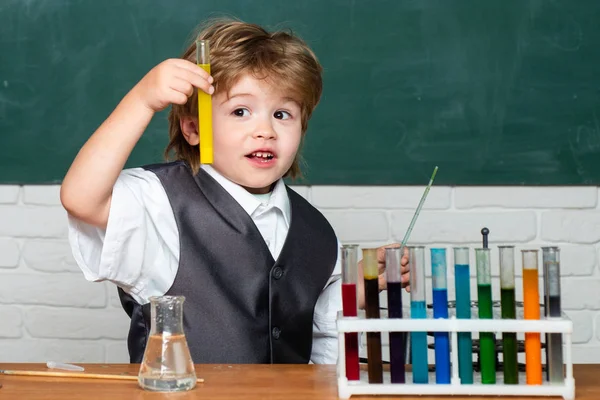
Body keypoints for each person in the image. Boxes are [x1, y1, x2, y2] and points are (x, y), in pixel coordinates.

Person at [60, 17, 409, 365]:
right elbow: (81, 198)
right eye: (241, 111)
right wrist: (142, 100)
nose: (265, 130)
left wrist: (359, 284)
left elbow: (315, 332)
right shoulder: (161, 203)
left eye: (283, 114)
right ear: (194, 128)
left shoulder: (316, 231)